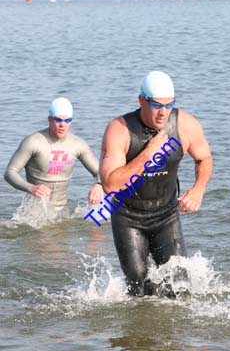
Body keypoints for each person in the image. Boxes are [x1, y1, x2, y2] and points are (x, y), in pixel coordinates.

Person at [100, 71, 213, 297]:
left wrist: (198, 189)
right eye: (156, 105)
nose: (163, 112)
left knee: (180, 287)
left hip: (166, 216)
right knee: (138, 287)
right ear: (142, 100)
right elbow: (110, 185)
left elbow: (204, 158)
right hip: (128, 217)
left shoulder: (184, 125)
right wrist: (148, 154)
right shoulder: (120, 129)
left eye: (169, 104)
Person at [4, 97, 104, 211]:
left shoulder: (78, 144)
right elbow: (10, 173)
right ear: (49, 119)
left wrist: (99, 185)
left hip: (62, 213)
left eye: (67, 120)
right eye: (58, 120)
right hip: (33, 215)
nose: (62, 124)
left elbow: (101, 172)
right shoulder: (33, 142)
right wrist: (31, 188)